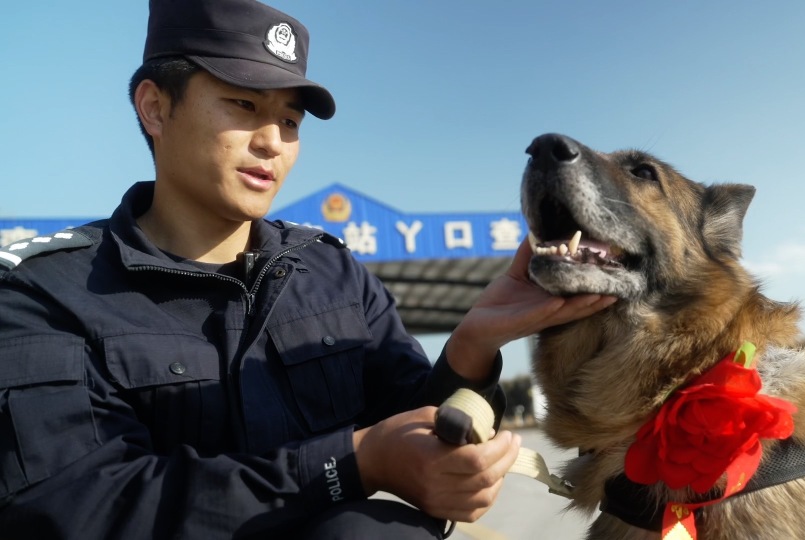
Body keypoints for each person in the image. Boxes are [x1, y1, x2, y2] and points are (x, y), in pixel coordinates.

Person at [0, 0, 616, 538]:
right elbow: (79, 506)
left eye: (290, 121)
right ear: (155, 109)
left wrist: (471, 347)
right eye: (243, 104)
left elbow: (413, 418)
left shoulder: (331, 274)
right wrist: (349, 465)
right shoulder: (45, 292)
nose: (272, 141)